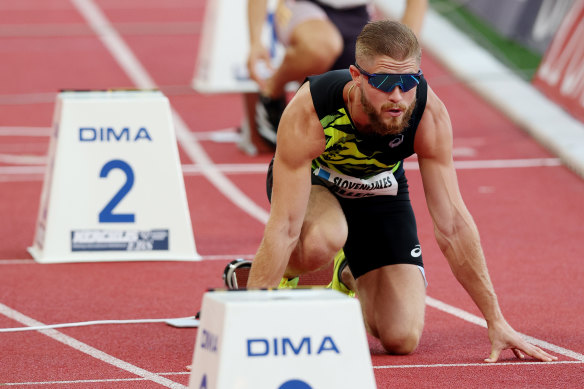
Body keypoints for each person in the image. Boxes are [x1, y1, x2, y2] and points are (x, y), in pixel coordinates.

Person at [246, 19, 557, 362]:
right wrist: (246, 331)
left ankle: (347, 270)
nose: (397, 97)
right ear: (356, 76)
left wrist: (495, 319)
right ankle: (274, 280)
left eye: (408, 82)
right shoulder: (312, 110)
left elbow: (452, 224)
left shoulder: (428, 115)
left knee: (401, 337)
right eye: (383, 83)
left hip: (379, 194)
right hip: (318, 185)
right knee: (323, 238)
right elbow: (285, 226)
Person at [247, 0, 428, 147]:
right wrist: (255, 41)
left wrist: (405, 55)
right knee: (321, 48)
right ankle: (272, 90)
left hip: (357, 14)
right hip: (301, 6)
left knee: (367, 88)